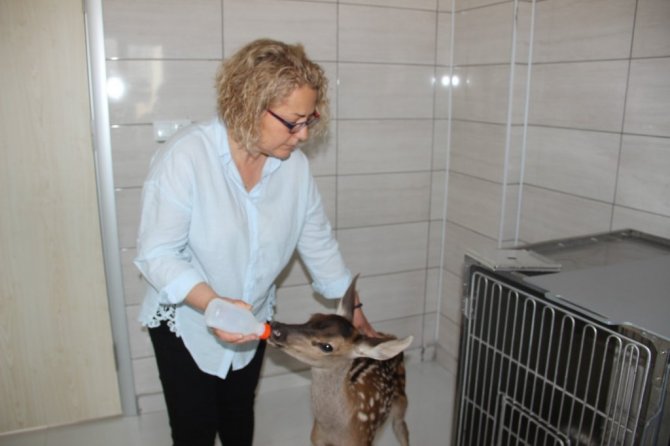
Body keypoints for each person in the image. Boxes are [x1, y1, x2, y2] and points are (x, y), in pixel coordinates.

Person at [134, 38, 377, 446]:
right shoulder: (186, 157)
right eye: (293, 122)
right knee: (194, 428)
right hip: (187, 322)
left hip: (253, 316)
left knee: (238, 414)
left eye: (310, 120)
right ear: (249, 104)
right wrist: (214, 305)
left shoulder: (293, 169)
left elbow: (318, 242)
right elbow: (157, 254)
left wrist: (355, 311)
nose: (303, 135)